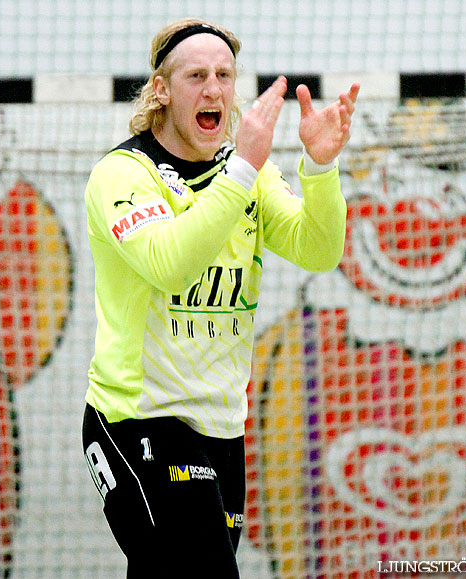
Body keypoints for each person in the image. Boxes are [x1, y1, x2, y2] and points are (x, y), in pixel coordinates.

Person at [81, 16, 359, 578]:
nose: (214, 89)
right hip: (139, 422)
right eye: (196, 76)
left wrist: (321, 168)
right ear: (161, 90)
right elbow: (168, 262)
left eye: (225, 75)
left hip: (224, 429)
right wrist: (243, 169)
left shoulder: (246, 175)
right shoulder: (123, 175)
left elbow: (318, 249)